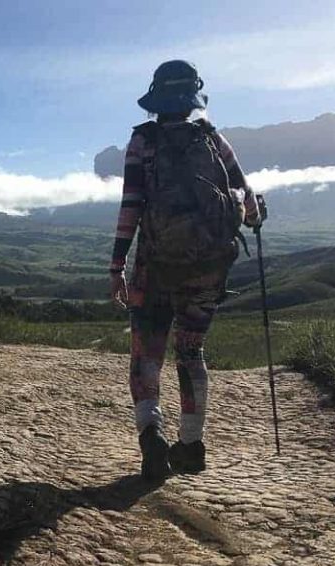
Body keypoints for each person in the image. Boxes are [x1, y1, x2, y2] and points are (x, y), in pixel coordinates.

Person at [109, 60, 261, 482]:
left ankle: (151, 437)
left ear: (155, 99)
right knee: (191, 352)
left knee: (146, 354)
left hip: (154, 268)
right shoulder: (213, 140)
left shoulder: (143, 142)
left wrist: (117, 264)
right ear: (193, 98)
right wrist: (252, 215)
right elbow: (249, 207)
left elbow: (131, 207)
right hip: (209, 269)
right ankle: (191, 444)